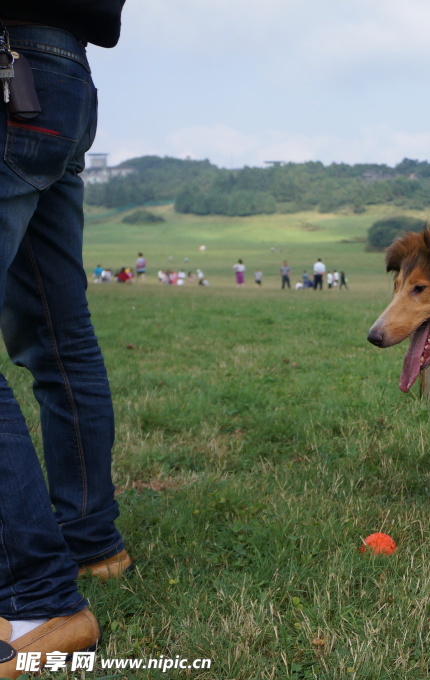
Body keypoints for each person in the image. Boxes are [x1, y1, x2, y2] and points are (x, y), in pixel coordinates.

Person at [0, 7, 131, 677]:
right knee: (58, 333)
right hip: (61, 75)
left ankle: (37, 600)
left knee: (58, 337)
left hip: (11, 68)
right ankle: (89, 542)